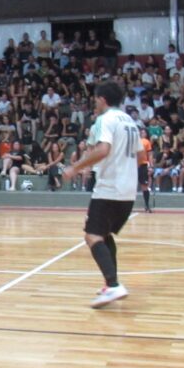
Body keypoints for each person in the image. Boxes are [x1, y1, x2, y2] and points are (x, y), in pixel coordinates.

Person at [63, 82, 142, 309]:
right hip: (128, 190)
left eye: (95, 99)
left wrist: (75, 167)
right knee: (105, 235)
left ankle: (114, 285)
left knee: (92, 236)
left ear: (102, 99)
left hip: (109, 188)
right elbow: (141, 156)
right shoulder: (130, 122)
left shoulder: (106, 119)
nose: (94, 103)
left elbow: (103, 149)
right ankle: (110, 284)